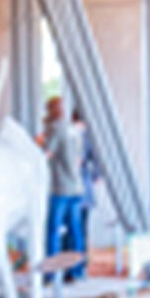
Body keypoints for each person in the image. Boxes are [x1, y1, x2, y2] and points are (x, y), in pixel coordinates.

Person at [39, 95, 88, 279]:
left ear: (52, 111)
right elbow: (79, 159)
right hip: (76, 187)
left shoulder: (56, 131)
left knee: (53, 230)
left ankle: (51, 273)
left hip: (60, 188)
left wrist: (40, 141)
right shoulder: (73, 130)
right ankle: (77, 270)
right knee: (76, 231)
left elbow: (46, 155)